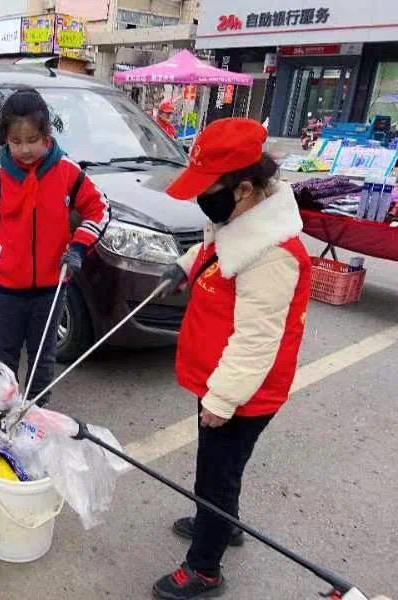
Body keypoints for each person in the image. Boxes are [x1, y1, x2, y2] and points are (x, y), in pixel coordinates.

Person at [152, 118, 311, 600]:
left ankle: (205, 567)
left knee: (215, 474)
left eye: (209, 189)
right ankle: (222, 524)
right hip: (221, 377)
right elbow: (215, 250)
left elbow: (257, 340)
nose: (204, 199)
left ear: (243, 189)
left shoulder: (273, 254)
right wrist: (182, 267)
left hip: (243, 391)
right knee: (220, 468)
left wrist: (221, 400)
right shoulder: (238, 219)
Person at [0, 88, 110, 406]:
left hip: (52, 286)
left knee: (42, 356)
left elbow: (100, 210)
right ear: (5, 138)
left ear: (47, 134)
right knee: (3, 356)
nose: (25, 149)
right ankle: (3, 412)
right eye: (16, 142)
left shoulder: (68, 173)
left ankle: (35, 413)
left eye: (32, 140)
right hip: (6, 289)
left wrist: (78, 247)